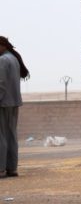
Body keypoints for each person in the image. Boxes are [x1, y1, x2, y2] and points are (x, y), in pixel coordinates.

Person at [0, 36, 28, 177]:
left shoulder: (3, 60)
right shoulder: (14, 59)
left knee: (2, 136)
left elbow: (1, 83)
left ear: (3, 45)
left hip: (3, 103)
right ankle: (12, 168)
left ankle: (1, 168)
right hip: (14, 102)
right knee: (11, 135)